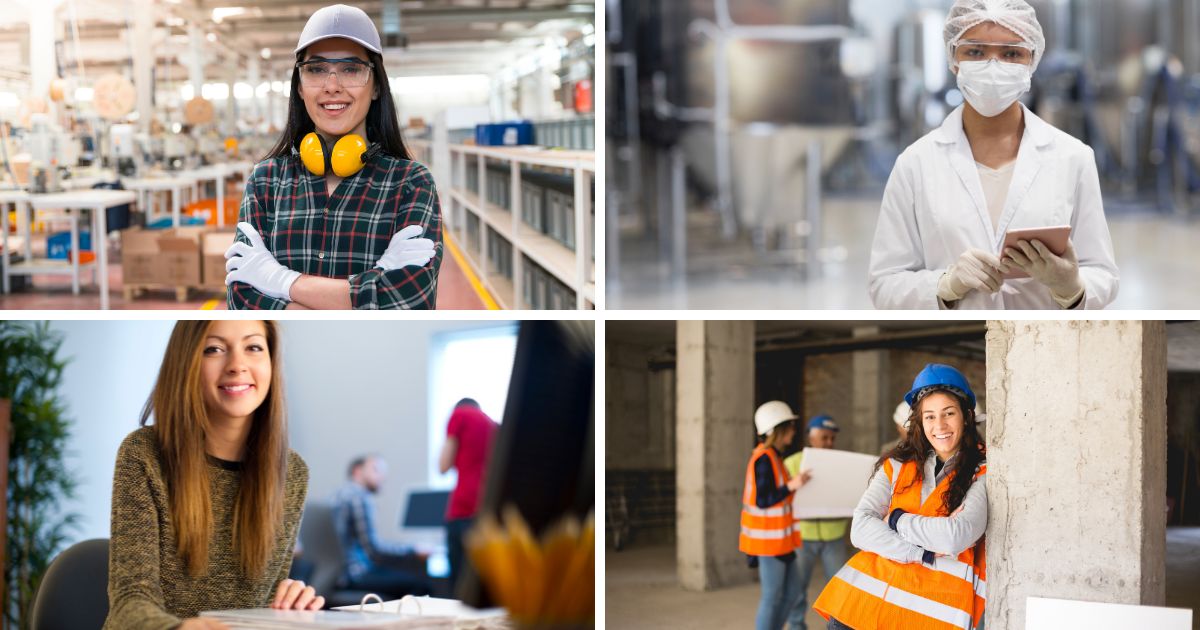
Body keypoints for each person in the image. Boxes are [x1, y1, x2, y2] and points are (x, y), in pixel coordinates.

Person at [868, 0, 1118, 310]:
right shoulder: (915, 163)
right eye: (975, 51)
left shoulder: (1073, 157)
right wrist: (946, 284)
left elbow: (1104, 274)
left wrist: (1071, 286)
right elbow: (884, 283)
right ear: (954, 59)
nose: (992, 65)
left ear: (1032, 60)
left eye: (1011, 53)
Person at [105, 320, 318, 630]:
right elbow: (129, 601)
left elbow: (261, 604)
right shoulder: (144, 454)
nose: (237, 365)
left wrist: (287, 605)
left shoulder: (291, 472)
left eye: (253, 348)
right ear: (186, 363)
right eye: (214, 349)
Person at [225, 3, 440, 310]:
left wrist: (280, 281)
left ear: (377, 85)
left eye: (351, 69)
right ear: (299, 87)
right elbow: (241, 298)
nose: (332, 87)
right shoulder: (267, 181)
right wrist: (372, 288)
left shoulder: (410, 183)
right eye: (316, 69)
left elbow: (410, 302)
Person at [813, 364, 987, 630]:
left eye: (948, 413)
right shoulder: (896, 464)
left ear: (966, 415)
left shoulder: (984, 469)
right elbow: (859, 529)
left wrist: (895, 519)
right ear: (919, 420)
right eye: (929, 416)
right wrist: (920, 553)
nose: (939, 425)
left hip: (929, 617)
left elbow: (956, 535)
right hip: (857, 609)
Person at [743, 401, 810, 630]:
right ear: (778, 429)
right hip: (768, 544)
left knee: (792, 592)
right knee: (771, 598)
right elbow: (764, 500)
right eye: (790, 426)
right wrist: (792, 486)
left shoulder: (774, 458)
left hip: (782, 542)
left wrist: (795, 486)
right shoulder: (764, 459)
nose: (793, 431)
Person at [332, 455, 431, 600]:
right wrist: (413, 550)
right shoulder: (359, 497)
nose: (382, 476)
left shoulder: (338, 495)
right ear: (357, 471)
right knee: (422, 585)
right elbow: (374, 550)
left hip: (338, 574)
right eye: (376, 469)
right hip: (357, 574)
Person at [782, 415, 849, 630]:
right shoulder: (792, 463)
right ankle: (796, 626)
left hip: (834, 535)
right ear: (811, 438)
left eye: (832, 438)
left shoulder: (842, 464)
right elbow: (780, 497)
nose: (829, 443)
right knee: (797, 588)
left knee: (840, 588)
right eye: (824, 438)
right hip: (803, 535)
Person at [438, 398, 499, 590]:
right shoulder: (494, 426)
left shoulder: (460, 415)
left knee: (457, 587)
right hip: (485, 510)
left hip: (462, 509)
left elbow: (443, 465)